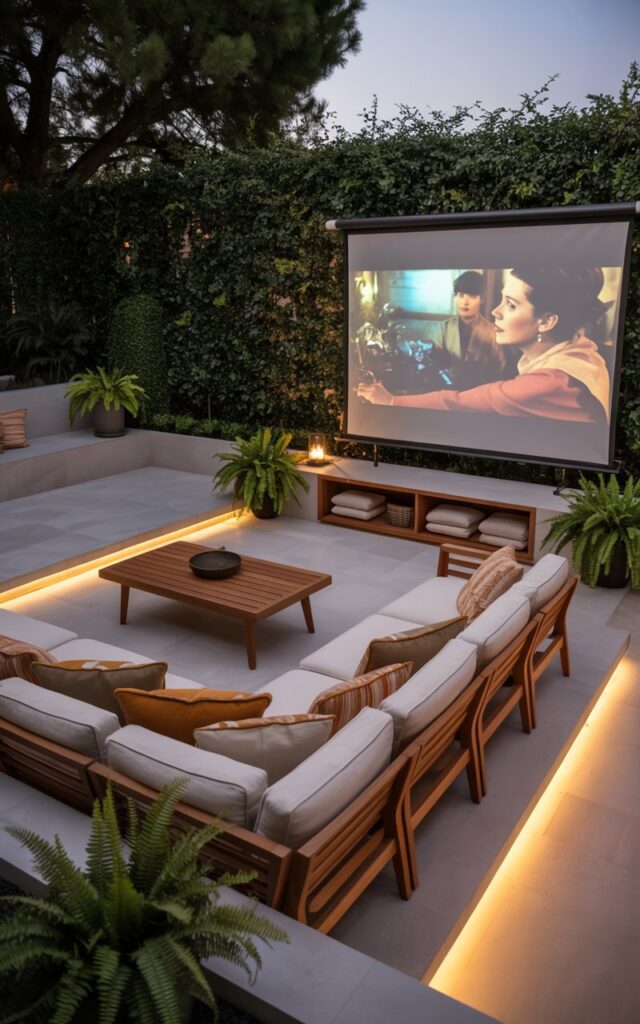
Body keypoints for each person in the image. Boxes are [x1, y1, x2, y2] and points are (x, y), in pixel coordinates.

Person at [356, 265, 611, 423]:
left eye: (511, 304)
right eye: (501, 299)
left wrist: (390, 402)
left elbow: (459, 401)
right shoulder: (583, 351)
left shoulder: (549, 381)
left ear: (547, 321)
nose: (496, 311)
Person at [432, 269, 507, 384]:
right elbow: (435, 365)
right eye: (461, 295)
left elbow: (499, 369)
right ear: (455, 297)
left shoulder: (492, 331)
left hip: (480, 393)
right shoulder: (444, 328)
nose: (465, 302)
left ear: (481, 299)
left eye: (472, 296)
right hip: (447, 390)